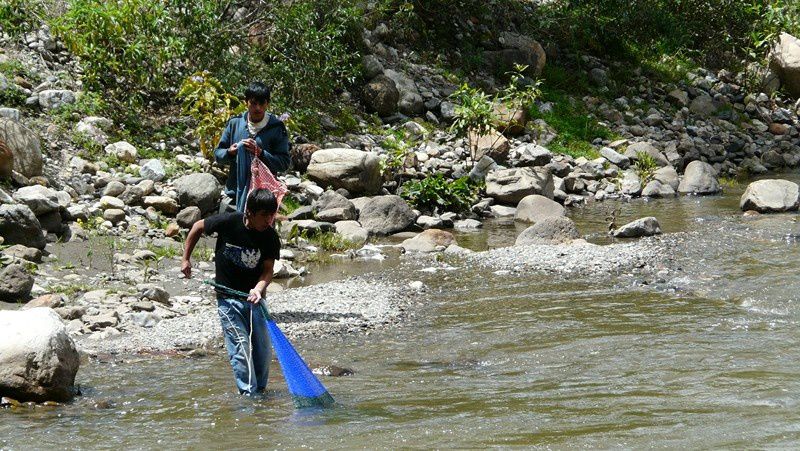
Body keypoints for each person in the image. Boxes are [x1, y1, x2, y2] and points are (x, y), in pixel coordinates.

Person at [181, 188, 281, 396]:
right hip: (228, 301)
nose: (268, 221)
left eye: (272, 215)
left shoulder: (270, 237)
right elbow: (198, 227)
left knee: (262, 351)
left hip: (256, 302)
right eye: (264, 215)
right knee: (241, 350)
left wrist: (259, 289)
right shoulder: (229, 222)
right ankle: (248, 395)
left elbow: (268, 271)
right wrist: (185, 259)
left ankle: (260, 392)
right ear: (250, 213)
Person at [215, 82, 290, 213]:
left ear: (267, 104)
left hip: (262, 197)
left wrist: (261, 154)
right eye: (254, 103)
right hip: (234, 192)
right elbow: (218, 155)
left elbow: (283, 164)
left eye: (262, 104)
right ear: (246, 102)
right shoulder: (235, 124)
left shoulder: (277, 128)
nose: (258, 108)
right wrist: (229, 152)